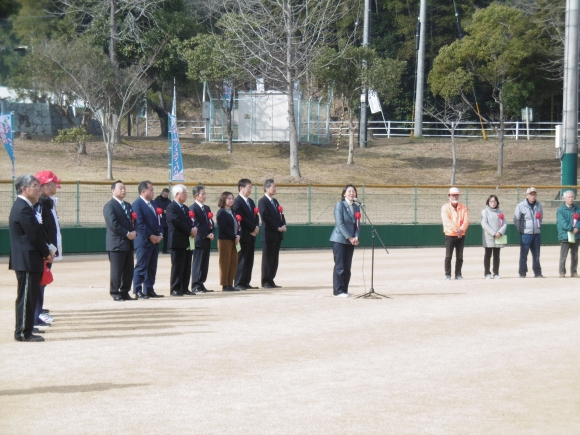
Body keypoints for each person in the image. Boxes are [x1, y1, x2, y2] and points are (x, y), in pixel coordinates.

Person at [9, 174, 53, 342]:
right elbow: (33, 235)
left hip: (29, 259)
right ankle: (22, 333)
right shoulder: (23, 207)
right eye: (35, 185)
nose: (38, 189)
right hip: (26, 260)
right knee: (26, 297)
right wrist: (46, 252)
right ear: (24, 189)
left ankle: (26, 330)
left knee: (29, 296)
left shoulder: (25, 206)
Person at [33, 170, 62, 327]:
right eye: (51, 185)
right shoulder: (39, 204)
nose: (54, 188)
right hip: (45, 250)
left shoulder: (48, 202)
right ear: (43, 186)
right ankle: (37, 312)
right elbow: (40, 228)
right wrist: (47, 249)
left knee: (43, 281)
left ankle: (39, 309)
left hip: (50, 249)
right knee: (40, 281)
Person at [103, 180, 137, 301]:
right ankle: (115, 292)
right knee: (117, 271)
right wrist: (127, 233)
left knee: (128, 270)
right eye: (120, 188)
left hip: (128, 243)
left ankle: (125, 292)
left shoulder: (128, 205)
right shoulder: (109, 206)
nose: (123, 190)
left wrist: (134, 232)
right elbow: (113, 224)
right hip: (116, 243)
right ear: (113, 190)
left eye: (124, 188)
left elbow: (133, 221)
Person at [132, 181, 163, 299]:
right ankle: (138, 290)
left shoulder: (154, 203)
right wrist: (151, 236)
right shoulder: (137, 204)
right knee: (141, 266)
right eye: (151, 190)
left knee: (152, 267)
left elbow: (160, 220)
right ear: (143, 191)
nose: (153, 192)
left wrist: (160, 234)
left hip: (155, 241)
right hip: (144, 241)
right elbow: (140, 224)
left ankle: (149, 289)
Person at [165, 184, 198, 296]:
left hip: (187, 241)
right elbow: (176, 221)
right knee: (177, 266)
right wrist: (190, 230)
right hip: (177, 241)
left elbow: (190, 221)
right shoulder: (171, 207)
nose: (186, 195)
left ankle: (184, 287)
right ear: (177, 194)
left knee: (186, 265)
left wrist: (194, 228)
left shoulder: (185, 208)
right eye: (184, 193)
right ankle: (175, 288)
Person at [329, 184, 360, 297]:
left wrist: (356, 236)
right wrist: (350, 237)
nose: (352, 193)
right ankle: (338, 291)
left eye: (354, 191)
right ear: (344, 193)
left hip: (351, 241)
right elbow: (340, 223)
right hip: (339, 240)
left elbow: (357, 225)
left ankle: (345, 290)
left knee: (347, 267)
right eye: (349, 191)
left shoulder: (356, 207)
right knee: (340, 266)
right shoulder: (340, 205)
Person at [258, 179, 286, 288]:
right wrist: (277, 227)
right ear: (266, 188)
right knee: (267, 259)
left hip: (277, 235)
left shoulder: (275, 202)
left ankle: (271, 279)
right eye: (272, 187)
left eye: (275, 187)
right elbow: (265, 217)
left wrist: (283, 225)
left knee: (274, 259)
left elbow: (280, 215)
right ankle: (265, 281)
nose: (275, 189)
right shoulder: (263, 201)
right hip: (269, 234)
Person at [233, 179, 260, 290]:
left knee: (249, 259)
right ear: (241, 188)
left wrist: (256, 227)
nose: (250, 189)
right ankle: (238, 282)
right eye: (248, 187)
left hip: (251, 235)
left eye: (251, 187)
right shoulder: (237, 202)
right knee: (241, 259)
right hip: (243, 234)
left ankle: (246, 281)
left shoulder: (251, 201)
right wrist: (253, 227)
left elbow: (255, 215)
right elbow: (240, 218)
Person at [514, 187, 544, 278]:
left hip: (536, 233)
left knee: (536, 254)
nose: (533, 196)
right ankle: (522, 272)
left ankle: (537, 272)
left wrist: (538, 227)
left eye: (534, 194)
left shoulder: (539, 205)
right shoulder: (521, 205)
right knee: (524, 254)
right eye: (531, 194)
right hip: (526, 233)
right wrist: (521, 230)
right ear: (527, 195)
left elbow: (541, 217)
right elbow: (516, 219)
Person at [441, 187, 470, 280]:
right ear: (449, 196)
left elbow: (466, 220)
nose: (455, 197)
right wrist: (458, 230)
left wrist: (461, 230)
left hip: (461, 235)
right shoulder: (445, 207)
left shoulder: (463, 207)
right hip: (450, 234)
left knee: (460, 256)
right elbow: (447, 221)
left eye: (456, 195)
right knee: (448, 256)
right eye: (453, 195)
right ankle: (448, 274)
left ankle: (458, 274)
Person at [190, 185, 214, 293]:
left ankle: (201, 282)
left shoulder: (207, 208)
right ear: (196, 196)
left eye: (205, 194)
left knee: (205, 263)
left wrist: (212, 232)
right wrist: (206, 235)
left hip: (207, 239)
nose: (205, 196)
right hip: (199, 239)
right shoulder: (193, 208)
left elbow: (210, 222)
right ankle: (195, 284)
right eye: (202, 194)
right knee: (198, 262)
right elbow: (196, 224)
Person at [217, 192, 241, 291]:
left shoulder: (233, 211)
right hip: (225, 240)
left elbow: (238, 225)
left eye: (232, 198)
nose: (231, 200)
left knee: (233, 262)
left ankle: (230, 283)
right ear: (223, 200)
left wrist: (239, 234)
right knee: (225, 262)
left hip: (234, 240)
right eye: (228, 198)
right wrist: (233, 236)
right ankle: (225, 284)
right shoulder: (221, 212)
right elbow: (223, 227)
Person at [481, 195, 507, 279]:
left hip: (499, 237)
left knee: (497, 255)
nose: (493, 203)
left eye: (494, 201)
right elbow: (484, 224)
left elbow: (504, 224)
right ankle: (487, 273)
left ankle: (496, 273)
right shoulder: (484, 211)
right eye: (491, 201)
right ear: (488, 202)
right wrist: (493, 233)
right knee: (487, 255)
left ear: (497, 202)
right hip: (488, 236)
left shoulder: (500, 212)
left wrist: (500, 232)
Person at [556, 190, 580, 278]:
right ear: (564, 198)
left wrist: (577, 228)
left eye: (572, 197)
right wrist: (571, 229)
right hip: (565, 235)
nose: (571, 199)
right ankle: (562, 272)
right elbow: (562, 222)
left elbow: (579, 221)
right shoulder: (560, 210)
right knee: (563, 255)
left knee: (575, 255)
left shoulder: (578, 209)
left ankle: (574, 272)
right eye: (569, 197)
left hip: (576, 235)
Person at [155, 188, 172, 254]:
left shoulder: (169, 201)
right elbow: (155, 208)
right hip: (158, 221)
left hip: (166, 221)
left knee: (166, 236)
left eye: (166, 195)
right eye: (165, 195)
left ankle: (165, 250)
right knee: (157, 235)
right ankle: (156, 249)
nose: (165, 196)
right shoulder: (157, 200)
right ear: (162, 193)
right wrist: (162, 211)